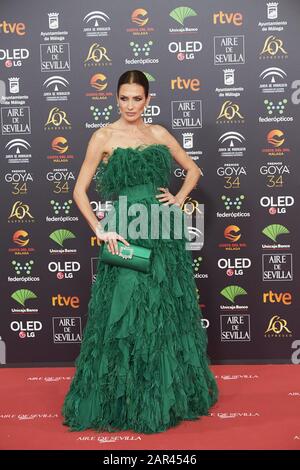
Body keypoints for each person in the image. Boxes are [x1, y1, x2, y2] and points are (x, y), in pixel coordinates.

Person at [62, 70, 218, 433]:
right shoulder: (103, 136)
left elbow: (193, 170)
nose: (130, 104)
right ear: (116, 99)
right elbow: (79, 191)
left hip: (163, 231)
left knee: (163, 312)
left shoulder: (159, 133)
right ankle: (122, 398)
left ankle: (166, 397)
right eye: (124, 97)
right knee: (124, 312)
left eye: (137, 98)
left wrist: (178, 199)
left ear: (147, 100)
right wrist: (101, 229)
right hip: (127, 231)